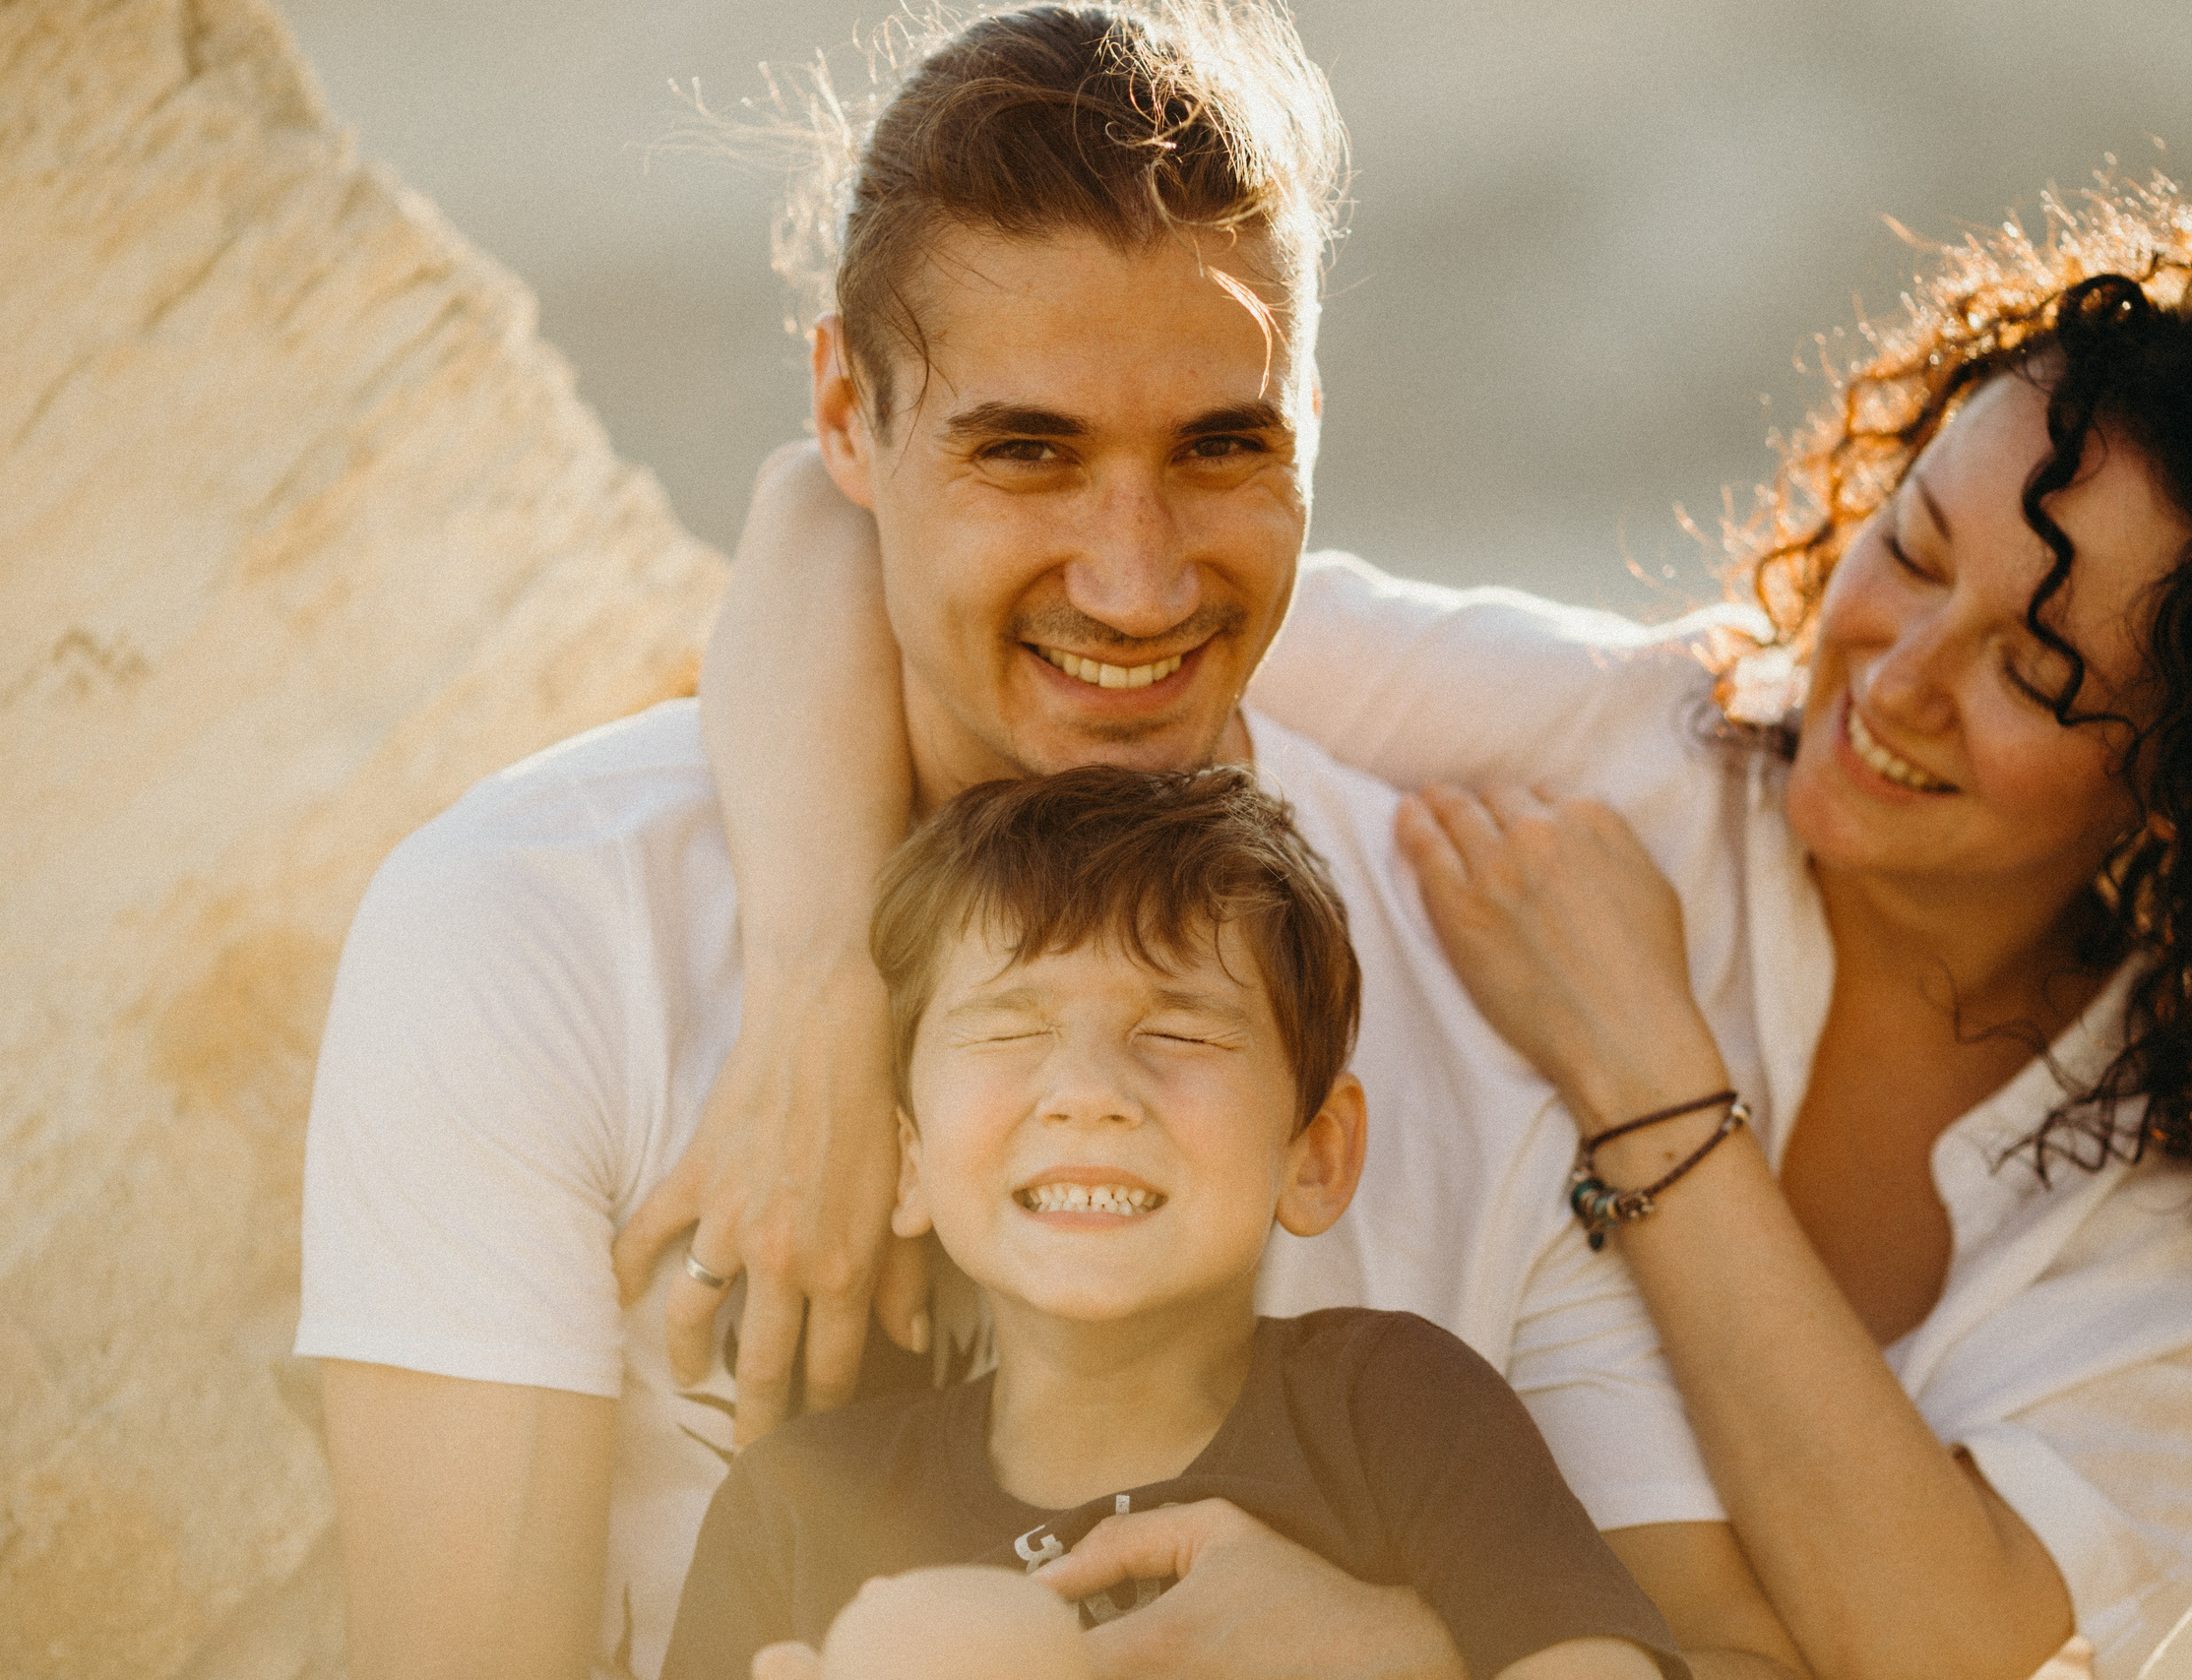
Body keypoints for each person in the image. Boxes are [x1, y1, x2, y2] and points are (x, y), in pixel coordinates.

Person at [699, 180, 2192, 1679]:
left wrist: (1643, 1074)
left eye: (2035, 669)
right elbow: (842, 530)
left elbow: (1925, 1650)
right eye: (1911, 548)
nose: (1895, 673)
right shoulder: (1632, 735)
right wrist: (813, 1002)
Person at [296, 7, 1783, 1678]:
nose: (1137, 583)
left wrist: (1398, 1657)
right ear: (845, 413)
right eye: (1028, 452)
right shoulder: (528, 934)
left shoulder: (1470, 996)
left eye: (1223, 447)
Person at [662, 765, 1688, 1680]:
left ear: (1315, 1156)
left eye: (1179, 1031)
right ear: (910, 1161)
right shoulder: (798, 1504)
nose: (1088, 1091)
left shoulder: (1398, 1409)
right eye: (1011, 1030)